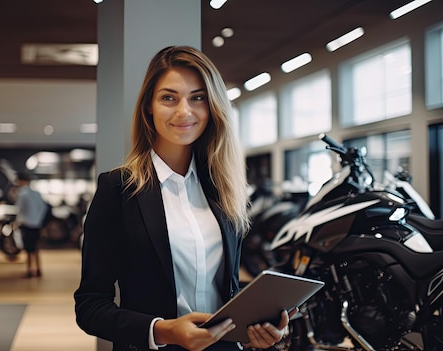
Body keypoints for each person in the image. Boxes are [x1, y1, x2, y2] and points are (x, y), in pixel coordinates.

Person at [74, 46, 293, 351]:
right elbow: (90, 307)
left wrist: (260, 323)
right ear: (149, 106)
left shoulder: (223, 188)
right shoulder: (118, 188)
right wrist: (164, 331)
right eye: (169, 98)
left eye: (197, 97)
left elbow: (224, 292)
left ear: (212, 106)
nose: (184, 111)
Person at [15, 171, 47, 278]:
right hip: (36, 224)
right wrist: (39, 220)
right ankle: (38, 269)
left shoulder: (22, 193)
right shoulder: (36, 193)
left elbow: (20, 210)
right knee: (36, 247)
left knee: (28, 249)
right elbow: (43, 207)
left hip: (26, 224)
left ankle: (29, 270)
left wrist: (18, 221)